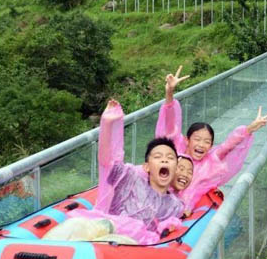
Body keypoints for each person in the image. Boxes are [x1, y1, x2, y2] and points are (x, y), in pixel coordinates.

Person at [46, 99, 186, 245]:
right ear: (146, 167)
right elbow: (108, 161)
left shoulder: (175, 205)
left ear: (176, 168)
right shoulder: (130, 179)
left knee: (112, 241)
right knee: (77, 224)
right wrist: (108, 123)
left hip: (128, 245)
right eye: (158, 157)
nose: (164, 160)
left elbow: (166, 233)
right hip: (106, 227)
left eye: (170, 158)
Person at [156, 66, 267, 214]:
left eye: (207, 142)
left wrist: (249, 129)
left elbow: (228, 145)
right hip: (161, 202)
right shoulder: (176, 150)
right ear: (187, 140)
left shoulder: (210, 162)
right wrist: (169, 93)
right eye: (197, 139)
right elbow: (170, 126)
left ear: (211, 146)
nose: (201, 145)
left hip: (186, 211)